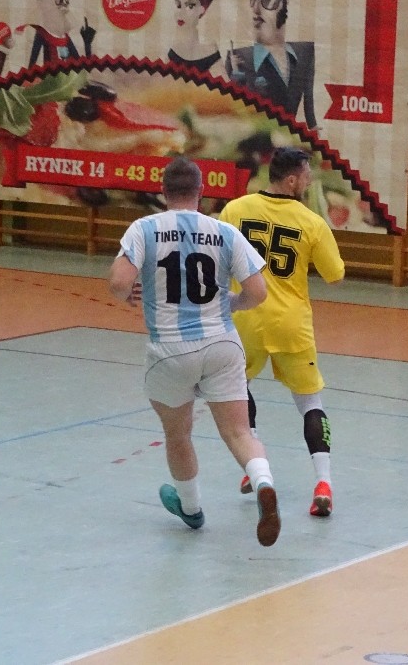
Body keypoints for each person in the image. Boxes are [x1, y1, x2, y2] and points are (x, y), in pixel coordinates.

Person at [108, 156, 281, 546]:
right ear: (201, 192)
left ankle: (191, 507)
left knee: (178, 433)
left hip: (170, 350)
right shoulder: (224, 232)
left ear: (163, 192)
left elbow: (118, 282)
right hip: (221, 344)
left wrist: (129, 294)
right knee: (238, 432)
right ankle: (263, 481)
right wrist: (231, 303)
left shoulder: (144, 229)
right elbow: (257, 293)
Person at [219, 147, 344, 516]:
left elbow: (218, 262)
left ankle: (253, 465)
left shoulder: (235, 210)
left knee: (238, 388)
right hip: (291, 324)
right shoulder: (311, 222)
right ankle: (323, 483)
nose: (310, 180)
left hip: (246, 317)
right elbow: (335, 275)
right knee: (310, 403)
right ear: (291, 180)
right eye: (306, 175)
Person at [226, 0, 318, 128]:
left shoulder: (305, 51)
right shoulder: (237, 57)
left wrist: (313, 126)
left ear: (286, 3)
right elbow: (233, 110)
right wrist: (237, 74)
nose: (256, 9)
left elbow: (309, 100)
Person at [27, 0, 95, 66]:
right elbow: (31, 67)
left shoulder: (65, 37)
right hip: (51, 73)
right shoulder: (42, 33)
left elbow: (79, 65)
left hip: (68, 72)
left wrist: (87, 44)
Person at [169, 0, 221, 73]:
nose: (181, 13)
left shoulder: (212, 55)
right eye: (178, 5)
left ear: (202, 10)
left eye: (190, 6)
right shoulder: (172, 52)